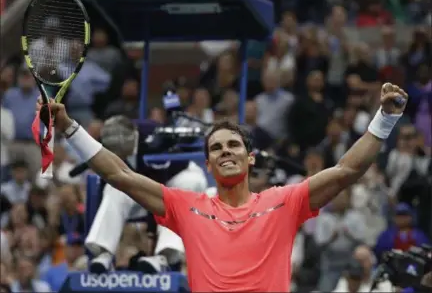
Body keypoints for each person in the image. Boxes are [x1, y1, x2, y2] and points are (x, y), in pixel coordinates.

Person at [35, 83, 408, 291]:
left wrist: (385, 118)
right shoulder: (186, 205)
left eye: (233, 145)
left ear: (251, 159)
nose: (225, 151)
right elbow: (119, 174)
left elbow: (346, 170)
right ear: (209, 164)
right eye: (216, 148)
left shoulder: (285, 201)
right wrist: (69, 128)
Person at [82, 116, 208, 272]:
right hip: (141, 185)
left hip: (179, 176)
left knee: (180, 195)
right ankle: (103, 253)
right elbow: (111, 177)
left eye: (119, 148)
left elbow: (159, 191)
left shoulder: (154, 138)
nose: (117, 153)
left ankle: (164, 257)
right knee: (113, 188)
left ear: (132, 137)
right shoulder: (114, 146)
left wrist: (150, 232)